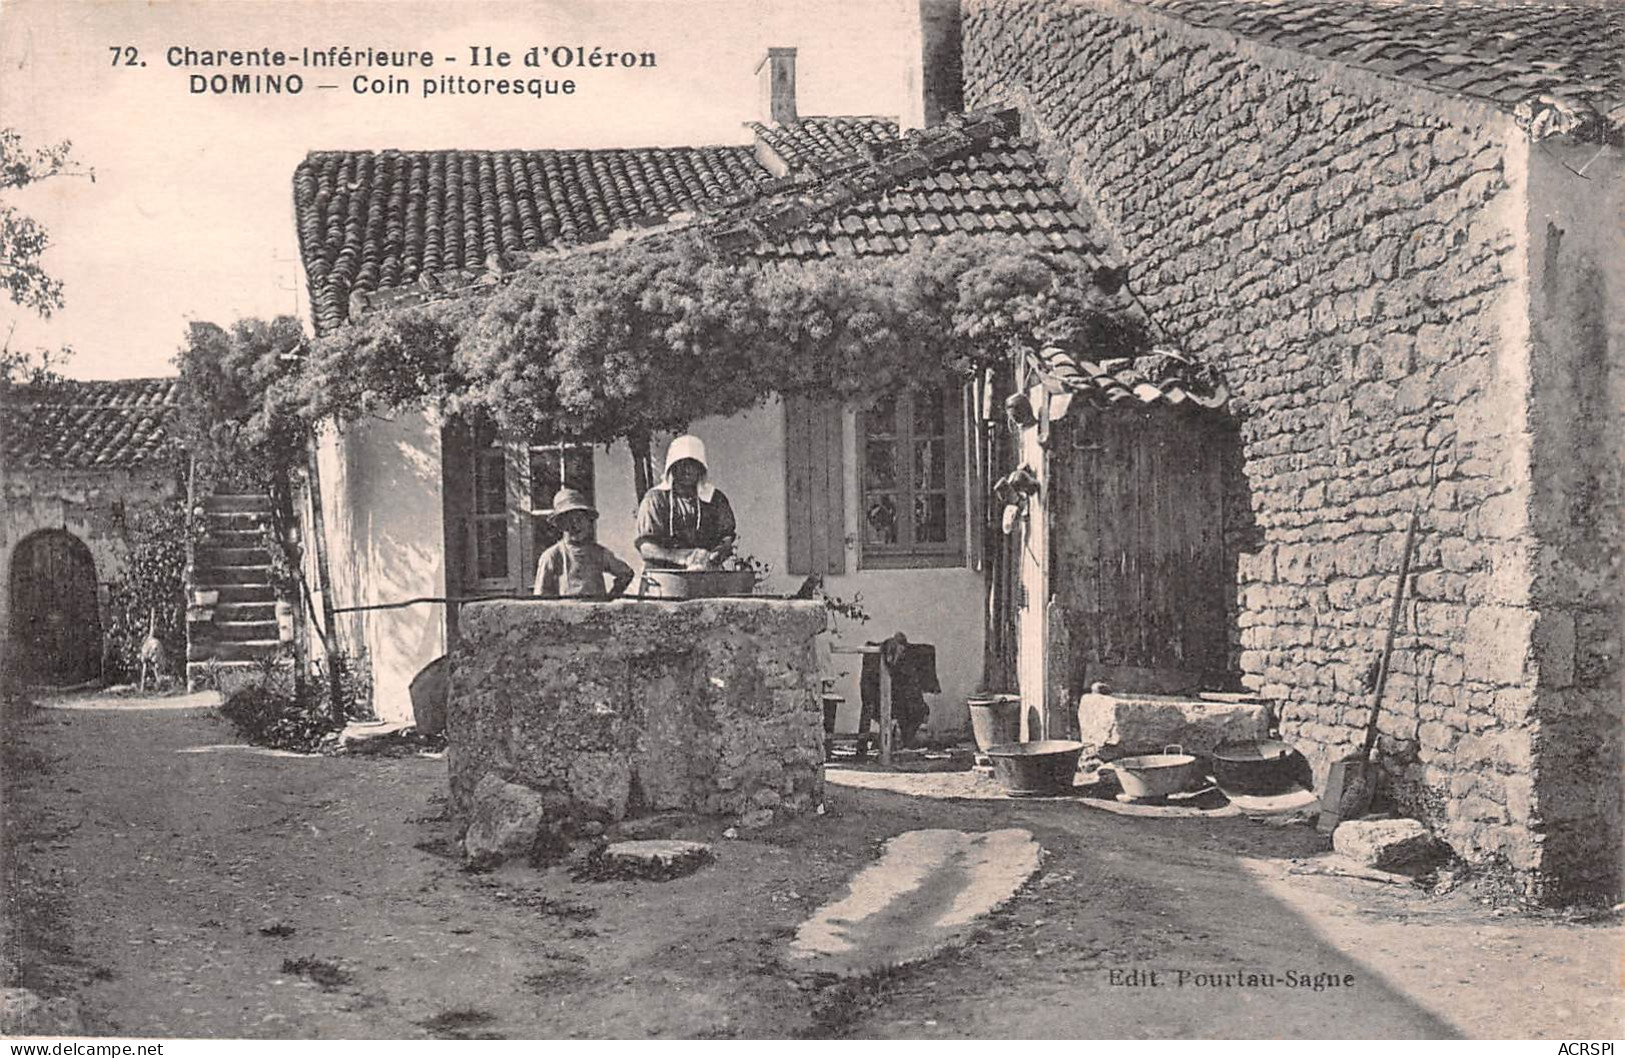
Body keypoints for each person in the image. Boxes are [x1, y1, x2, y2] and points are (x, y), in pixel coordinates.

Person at [634, 434, 737, 570]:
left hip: (705, 575)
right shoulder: (655, 499)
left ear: (701, 468)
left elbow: (726, 538)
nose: (687, 470)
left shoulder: (715, 499)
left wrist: (713, 556)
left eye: (693, 464)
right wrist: (682, 557)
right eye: (682, 464)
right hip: (664, 578)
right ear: (672, 467)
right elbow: (646, 548)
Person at [533, 488, 634, 599]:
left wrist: (610, 597)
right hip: (566, 614)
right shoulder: (552, 556)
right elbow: (540, 598)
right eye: (569, 520)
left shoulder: (598, 553)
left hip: (597, 613)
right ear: (560, 524)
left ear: (588, 521)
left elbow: (626, 573)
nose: (575, 526)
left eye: (579, 519)